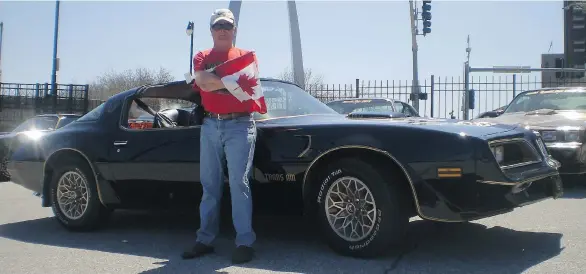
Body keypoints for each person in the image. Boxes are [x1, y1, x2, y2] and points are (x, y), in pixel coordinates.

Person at [181, 8, 258, 264]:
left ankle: (245, 242)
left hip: (240, 125)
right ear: (211, 30)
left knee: (239, 183)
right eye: (218, 26)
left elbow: (249, 87)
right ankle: (205, 239)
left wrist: (216, 80)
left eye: (227, 25)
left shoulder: (246, 55)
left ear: (234, 29)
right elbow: (202, 81)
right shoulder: (202, 55)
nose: (222, 30)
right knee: (209, 185)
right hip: (210, 126)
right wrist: (233, 79)